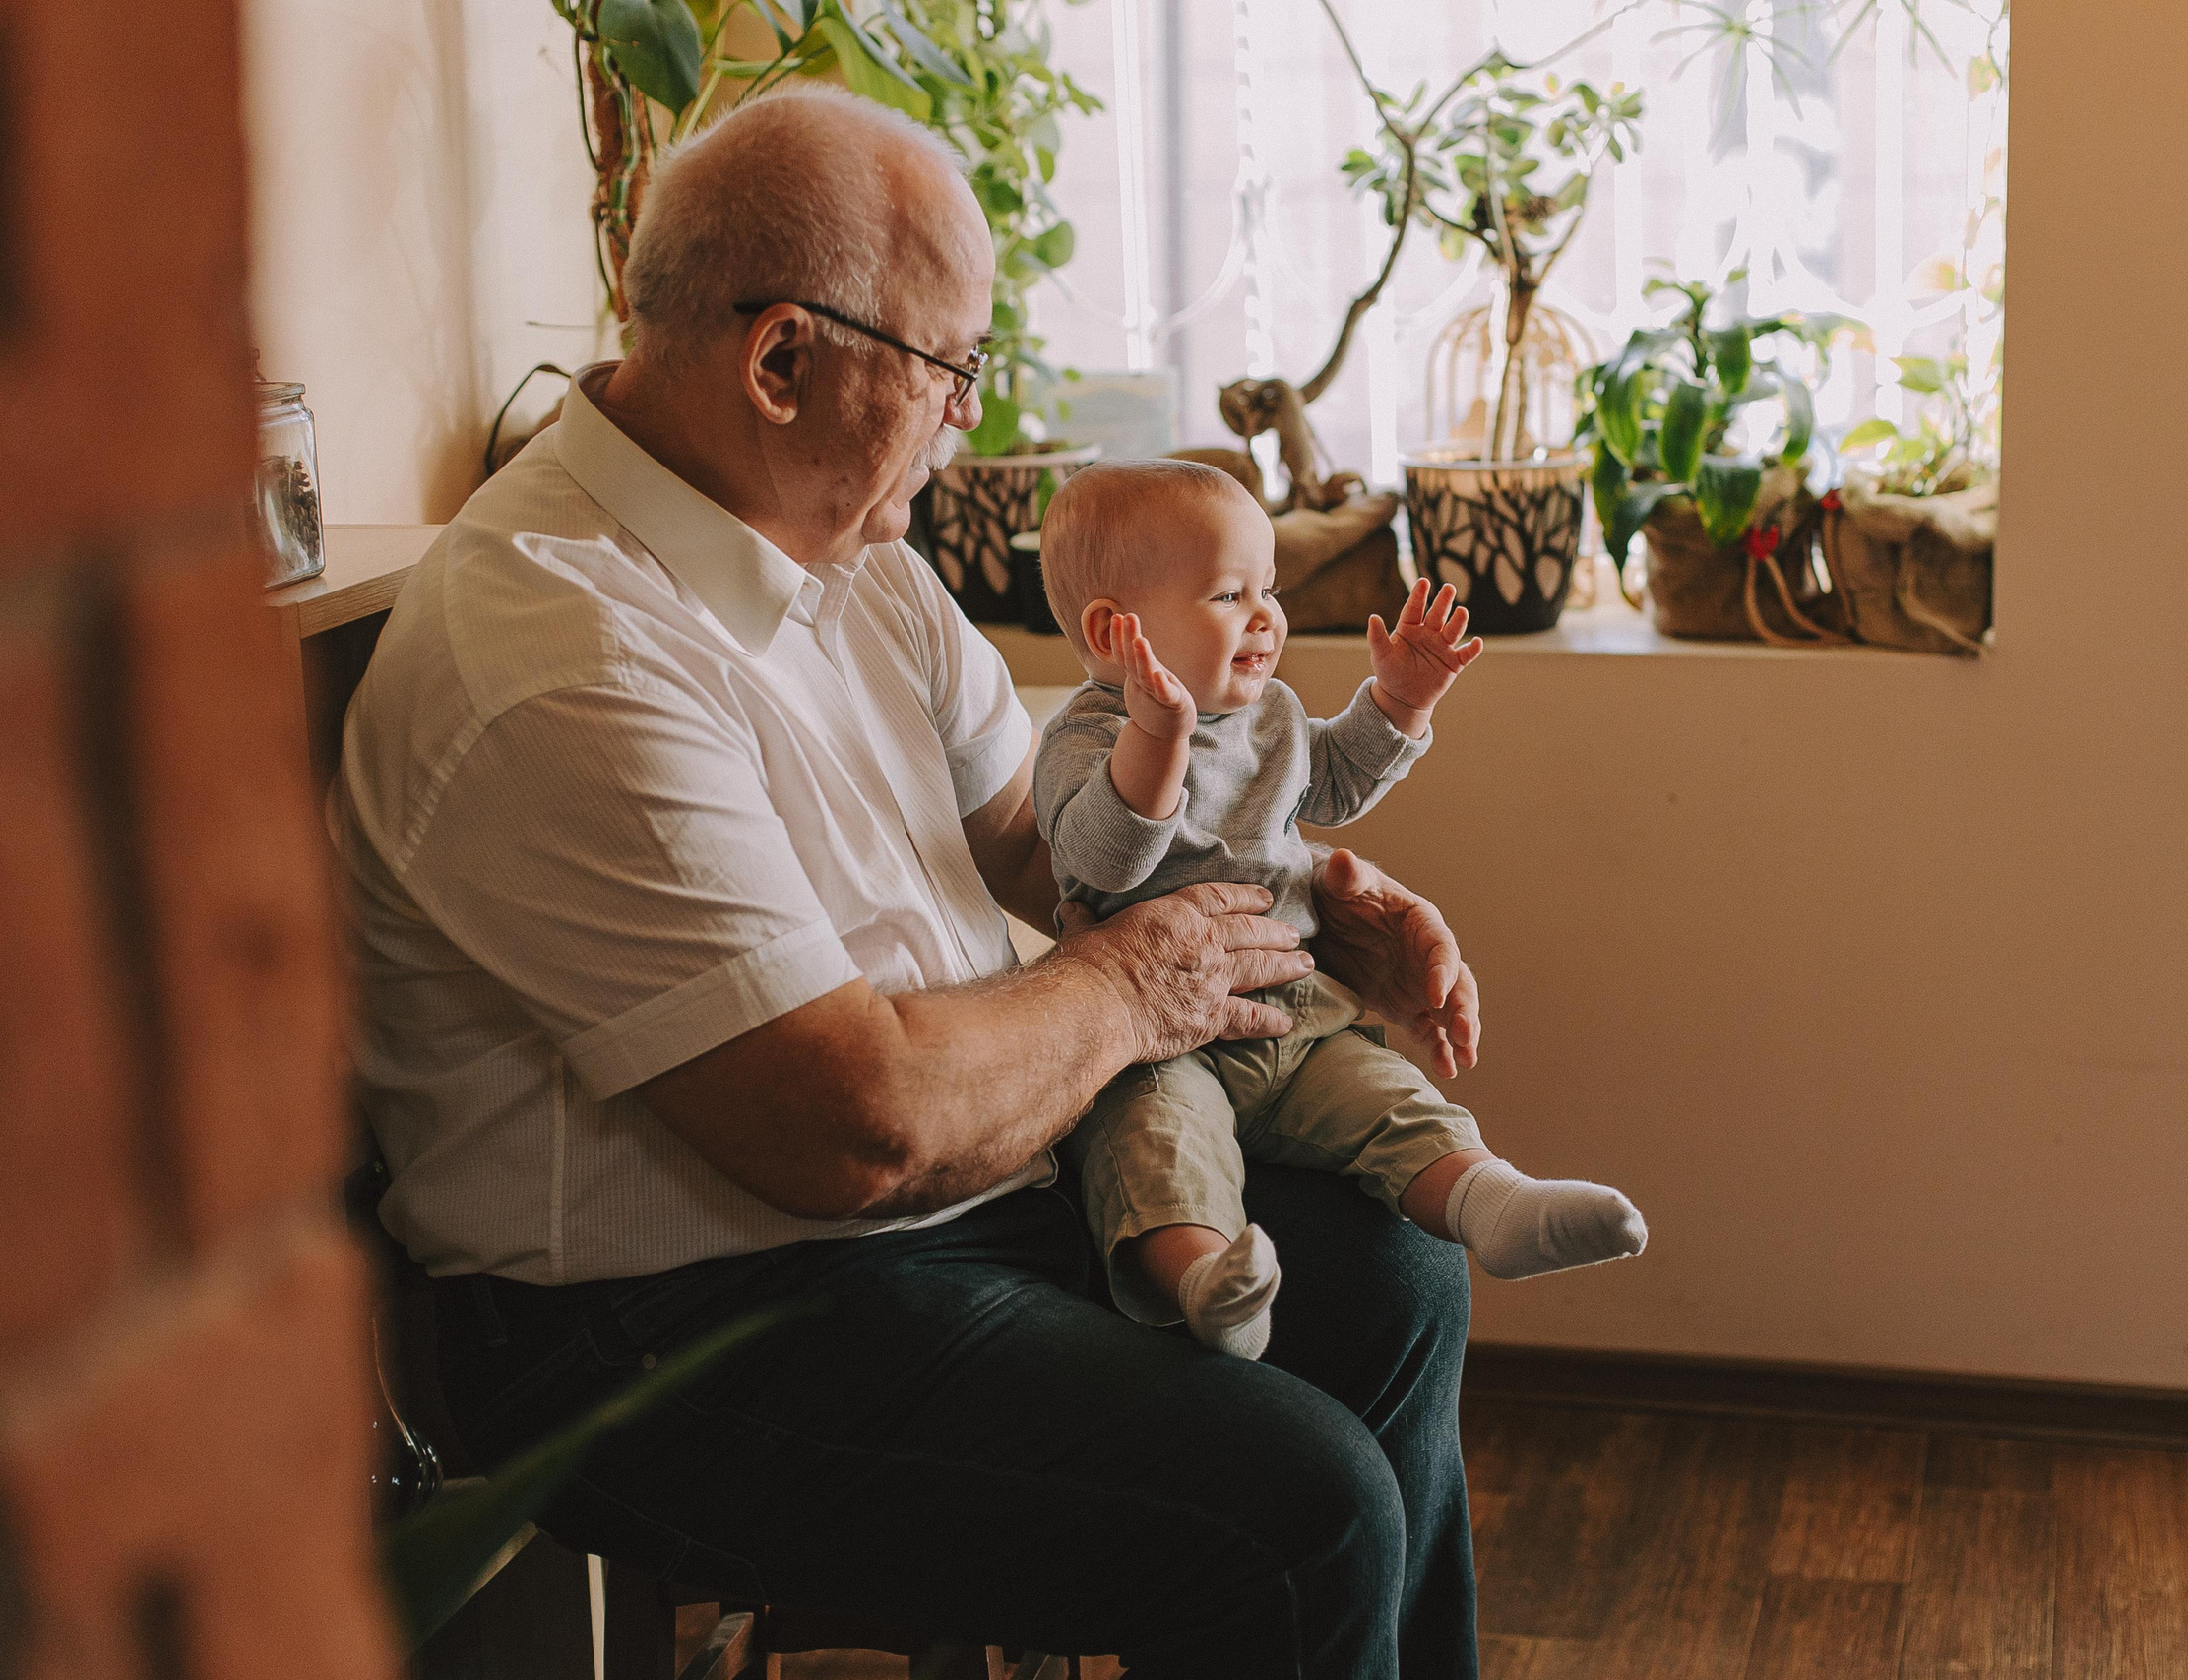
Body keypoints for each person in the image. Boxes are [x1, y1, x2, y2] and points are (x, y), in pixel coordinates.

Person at [333, 83, 1487, 1677]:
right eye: (950, 369)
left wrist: (1322, 893)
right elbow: (854, 1124)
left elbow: (1050, 845)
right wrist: (1125, 984)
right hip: (685, 1321)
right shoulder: (562, 649)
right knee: (1298, 1517)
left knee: (1399, 1274)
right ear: (784, 358)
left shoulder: (855, 558)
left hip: (960, 1191)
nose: (965, 419)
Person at [1032, 460, 1648, 1359]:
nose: (1266, 616)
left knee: (1395, 1101)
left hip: (1299, 1018)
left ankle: (1495, 1203)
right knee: (1154, 1150)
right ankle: (1211, 1284)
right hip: (1162, 1045)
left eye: (1269, 589)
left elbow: (1335, 781)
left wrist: (1400, 698)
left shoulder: (1269, 715)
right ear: (1113, 630)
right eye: (1229, 592)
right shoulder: (1085, 737)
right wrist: (1155, 740)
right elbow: (1100, 856)